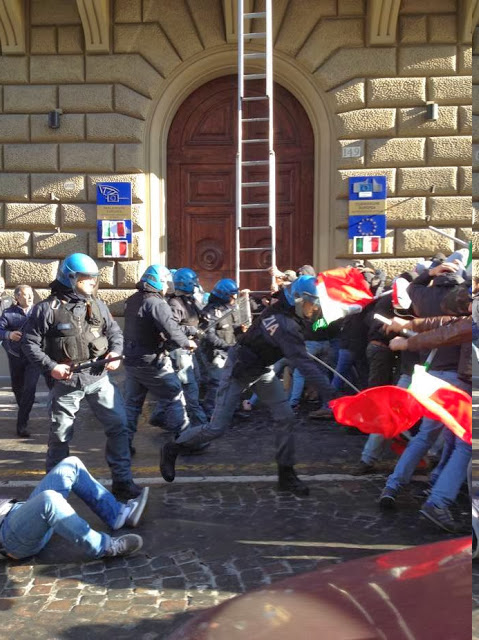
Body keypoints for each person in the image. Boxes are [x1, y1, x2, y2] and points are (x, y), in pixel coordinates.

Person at [160, 276, 337, 496]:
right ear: (299, 299)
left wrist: (344, 313)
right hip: (240, 369)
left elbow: (318, 325)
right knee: (216, 428)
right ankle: (174, 447)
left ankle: (286, 474)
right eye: (312, 303)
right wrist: (332, 395)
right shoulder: (285, 324)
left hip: (261, 369)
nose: (315, 308)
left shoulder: (288, 311)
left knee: (286, 418)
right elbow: (303, 363)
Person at [21, 253, 142, 502]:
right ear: (71, 279)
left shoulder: (97, 304)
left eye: (93, 279)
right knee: (60, 437)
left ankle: (123, 483)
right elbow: (29, 344)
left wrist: (116, 352)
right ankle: (54, 495)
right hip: (67, 383)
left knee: (119, 426)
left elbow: (114, 333)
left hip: (99, 379)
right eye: (87, 279)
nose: (92, 283)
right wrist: (51, 366)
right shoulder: (47, 309)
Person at [378, 260, 471, 525]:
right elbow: (449, 327)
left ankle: (395, 485)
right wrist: (409, 336)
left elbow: (447, 325)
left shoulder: (427, 293)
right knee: (463, 443)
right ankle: (439, 499)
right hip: (458, 381)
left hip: (439, 378)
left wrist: (407, 335)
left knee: (431, 438)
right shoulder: (466, 312)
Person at [0, 457, 148, 561]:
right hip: (10, 539)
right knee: (49, 500)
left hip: (16, 512)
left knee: (71, 465)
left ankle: (118, 514)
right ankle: (105, 547)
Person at [122, 264, 199, 452]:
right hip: (152, 361)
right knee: (174, 395)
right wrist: (186, 342)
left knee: (132, 405)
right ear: (159, 282)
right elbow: (171, 330)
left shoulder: (132, 300)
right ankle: (186, 440)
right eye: (166, 283)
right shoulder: (156, 303)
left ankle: (123, 444)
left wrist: (186, 331)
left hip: (132, 359)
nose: (167, 288)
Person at [149, 267, 207, 429]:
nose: (195, 285)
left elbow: (198, 316)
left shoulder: (188, 299)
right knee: (189, 387)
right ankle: (201, 425)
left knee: (187, 383)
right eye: (192, 282)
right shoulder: (175, 303)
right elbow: (170, 329)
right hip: (179, 351)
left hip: (188, 349)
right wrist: (192, 331)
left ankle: (159, 415)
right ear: (184, 284)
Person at [199, 278, 246, 419]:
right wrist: (227, 346)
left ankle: (231, 410)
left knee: (233, 382)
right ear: (225, 296)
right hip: (215, 354)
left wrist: (242, 332)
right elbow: (208, 336)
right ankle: (209, 412)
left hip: (231, 352)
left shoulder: (232, 309)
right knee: (217, 383)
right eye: (233, 295)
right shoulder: (209, 312)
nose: (235, 298)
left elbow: (235, 327)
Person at [0, 285, 41, 437]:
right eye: (25, 294)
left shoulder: (39, 311)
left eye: (31, 294)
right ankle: (24, 409)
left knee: (30, 388)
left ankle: (22, 423)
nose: (29, 297)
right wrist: (8, 335)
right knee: (18, 389)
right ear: (17, 297)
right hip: (15, 356)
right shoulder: (8, 313)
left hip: (34, 357)